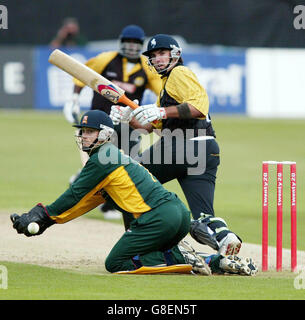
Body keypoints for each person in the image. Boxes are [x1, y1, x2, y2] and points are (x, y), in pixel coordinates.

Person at [10, 110, 257, 276]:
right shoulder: (111, 158)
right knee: (152, 253)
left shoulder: (102, 159)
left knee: (115, 263)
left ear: (105, 134)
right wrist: (47, 220)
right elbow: (85, 202)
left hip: (158, 219)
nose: (84, 136)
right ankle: (213, 262)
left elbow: (73, 195)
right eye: (82, 132)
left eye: (89, 131)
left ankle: (180, 262)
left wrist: (41, 214)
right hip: (177, 214)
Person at [110, 34, 242, 256]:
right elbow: (151, 127)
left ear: (175, 54)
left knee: (128, 181)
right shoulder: (166, 88)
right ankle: (224, 238)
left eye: (162, 53)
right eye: (153, 56)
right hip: (206, 151)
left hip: (183, 146)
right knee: (202, 217)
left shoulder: (179, 73)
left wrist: (161, 110)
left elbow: (199, 106)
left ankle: (138, 248)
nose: (158, 59)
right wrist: (128, 117)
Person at [64, 24, 162, 220]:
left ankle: (110, 205)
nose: (131, 47)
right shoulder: (106, 59)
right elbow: (82, 74)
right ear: (121, 42)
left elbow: (161, 90)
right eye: (128, 42)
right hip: (99, 123)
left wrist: (157, 109)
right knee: (99, 162)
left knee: (130, 163)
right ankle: (83, 183)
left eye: (136, 43)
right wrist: (74, 99)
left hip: (128, 123)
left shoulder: (146, 68)